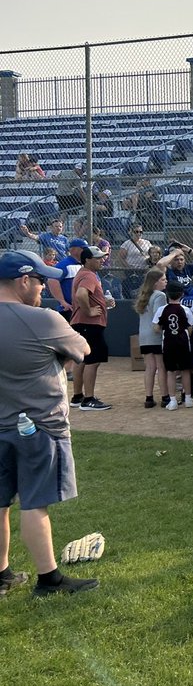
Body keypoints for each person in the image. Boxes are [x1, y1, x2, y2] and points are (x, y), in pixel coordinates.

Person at [0, 250, 97, 597]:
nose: (43, 286)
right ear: (23, 280)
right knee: (34, 503)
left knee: (0, 501)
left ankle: (3, 574)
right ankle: (49, 579)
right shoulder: (42, 318)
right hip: (40, 427)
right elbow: (82, 349)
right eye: (40, 280)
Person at [70, 245, 115, 411]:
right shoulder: (89, 275)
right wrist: (89, 310)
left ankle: (77, 396)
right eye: (98, 257)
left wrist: (103, 302)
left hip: (82, 323)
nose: (102, 260)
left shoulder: (85, 274)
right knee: (93, 360)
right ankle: (88, 399)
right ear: (87, 260)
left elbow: (86, 295)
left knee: (82, 360)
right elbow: (81, 295)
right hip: (89, 324)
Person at [153, 281, 193, 410]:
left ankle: (172, 401)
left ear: (167, 294)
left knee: (170, 372)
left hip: (168, 343)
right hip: (183, 343)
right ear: (182, 294)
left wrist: (166, 330)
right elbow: (191, 327)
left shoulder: (162, 309)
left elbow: (155, 327)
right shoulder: (185, 309)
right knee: (185, 371)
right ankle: (188, 398)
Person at [133, 269, 169, 408]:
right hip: (155, 335)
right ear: (155, 283)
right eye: (162, 279)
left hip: (144, 336)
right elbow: (158, 316)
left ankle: (149, 397)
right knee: (161, 366)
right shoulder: (159, 295)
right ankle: (165, 396)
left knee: (150, 367)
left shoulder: (144, 295)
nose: (165, 281)